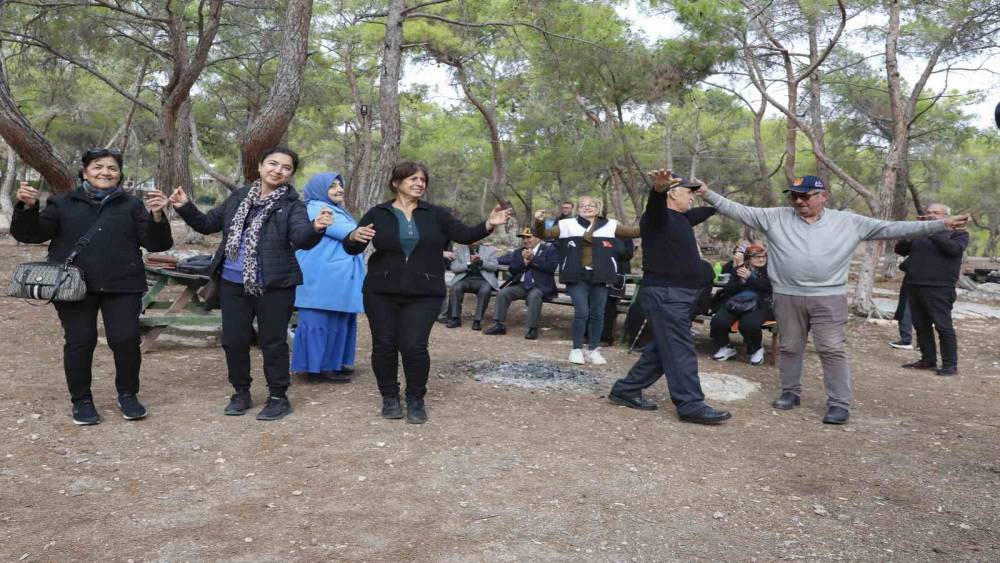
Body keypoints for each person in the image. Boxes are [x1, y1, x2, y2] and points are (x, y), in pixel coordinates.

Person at [700, 175, 969, 424]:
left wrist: (940, 224)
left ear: (823, 196)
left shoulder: (848, 221)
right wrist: (707, 193)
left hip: (828, 297)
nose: (799, 201)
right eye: (794, 196)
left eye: (805, 196)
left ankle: (839, 403)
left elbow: (893, 228)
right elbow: (737, 209)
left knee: (832, 349)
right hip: (787, 296)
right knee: (790, 347)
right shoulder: (775, 217)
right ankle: (790, 392)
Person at [11, 147, 173, 425]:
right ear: (84, 172)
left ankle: (128, 395)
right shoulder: (62, 203)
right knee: (80, 342)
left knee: (125, 341)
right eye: (98, 167)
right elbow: (30, 234)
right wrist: (27, 208)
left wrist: (157, 216)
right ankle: (82, 401)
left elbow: (157, 244)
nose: (105, 172)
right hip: (73, 286)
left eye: (112, 168)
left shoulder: (131, 205)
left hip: (123, 284)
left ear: (119, 175)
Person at [170, 147, 331, 421]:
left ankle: (278, 396)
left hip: (275, 285)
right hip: (233, 284)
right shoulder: (238, 196)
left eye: (286, 167)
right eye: (273, 164)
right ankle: (241, 392)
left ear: (291, 174)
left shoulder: (292, 204)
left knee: (272, 342)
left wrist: (316, 228)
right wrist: (185, 206)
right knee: (234, 340)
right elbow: (208, 224)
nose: (278, 170)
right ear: (259, 166)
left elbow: (301, 237)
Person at [344, 161, 512, 424]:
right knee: (384, 345)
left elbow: (465, 235)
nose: (419, 183)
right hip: (381, 291)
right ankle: (389, 397)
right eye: (413, 179)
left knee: (414, 346)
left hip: (425, 291)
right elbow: (353, 248)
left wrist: (489, 223)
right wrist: (353, 236)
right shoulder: (378, 213)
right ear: (396, 183)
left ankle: (415, 399)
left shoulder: (437, 214)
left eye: (423, 180)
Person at [608, 170, 732, 425]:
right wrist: (658, 190)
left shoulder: (682, 219)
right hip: (666, 294)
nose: (692, 199)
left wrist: (707, 194)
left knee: (664, 348)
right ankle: (690, 404)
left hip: (679, 295)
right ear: (673, 193)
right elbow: (655, 207)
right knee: (680, 349)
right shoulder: (657, 219)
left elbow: (713, 210)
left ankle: (626, 389)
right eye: (688, 193)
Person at [534, 196, 641, 364]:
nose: (587, 208)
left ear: (598, 208)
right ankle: (576, 349)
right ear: (577, 209)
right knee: (582, 312)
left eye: (591, 205)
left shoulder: (610, 225)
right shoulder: (566, 224)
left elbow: (634, 232)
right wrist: (539, 221)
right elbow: (543, 234)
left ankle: (593, 350)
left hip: (601, 275)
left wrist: (655, 221)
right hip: (576, 274)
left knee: (598, 314)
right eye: (582, 205)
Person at [291, 172, 364, 383]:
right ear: (320, 189)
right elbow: (349, 232)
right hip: (321, 276)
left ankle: (332, 364)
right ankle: (314, 368)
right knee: (317, 321)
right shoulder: (316, 208)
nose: (339, 189)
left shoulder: (337, 209)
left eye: (340, 185)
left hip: (336, 277)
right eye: (332, 186)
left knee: (337, 321)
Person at [895, 203, 969, 376]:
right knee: (921, 325)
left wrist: (933, 230)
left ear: (946, 216)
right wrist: (912, 232)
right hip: (914, 284)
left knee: (943, 327)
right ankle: (928, 360)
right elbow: (900, 250)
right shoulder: (921, 233)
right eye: (928, 212)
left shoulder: (959, 234)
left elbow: (952, 250)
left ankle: (950, 365)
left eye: (935, 213)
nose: (930, 215)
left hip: (940, 287)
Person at [484, 228, 560, 340]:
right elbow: (512, 270)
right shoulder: (518, 252)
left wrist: (533, 258)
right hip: (522, 285)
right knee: (503, 293)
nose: (525, 240)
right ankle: (499, 325)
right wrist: (523, 263)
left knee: (534, 296)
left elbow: (551, 268)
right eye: (523, 238)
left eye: (528, 237)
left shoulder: (549, 249)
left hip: (540, 286)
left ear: (537, 237)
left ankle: (532, 328)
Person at [710, 244, 774, 366]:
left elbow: (769, 287)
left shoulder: (769, 270)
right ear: (748, 258)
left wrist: (750, 278)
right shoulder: (740, 269)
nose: (761, 259)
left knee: (748, 324)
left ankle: (756, 349)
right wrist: (741, 282)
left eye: (763, 257)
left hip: (759, 304)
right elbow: (728, 289)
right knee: (718, 321)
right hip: (736, 303)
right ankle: (726, 346)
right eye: (757, 257)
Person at [446, 240, 499, 330]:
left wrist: (481, 262)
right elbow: (454, 268)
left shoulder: (489, 250)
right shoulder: (459, 250)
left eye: (477, 237)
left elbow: (494, 267)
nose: (475, 240)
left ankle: (477, 320)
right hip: (465, 279)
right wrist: (469, 264)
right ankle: (455, 318)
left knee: (485, 290)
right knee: (455, 288)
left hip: (483, 280)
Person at [889, 257, 914, 350]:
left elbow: (903, 266)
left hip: (912, 285)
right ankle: (922, 343)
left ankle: (906, 340)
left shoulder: (919, 250)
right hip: (932, 288)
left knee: (905, 311)